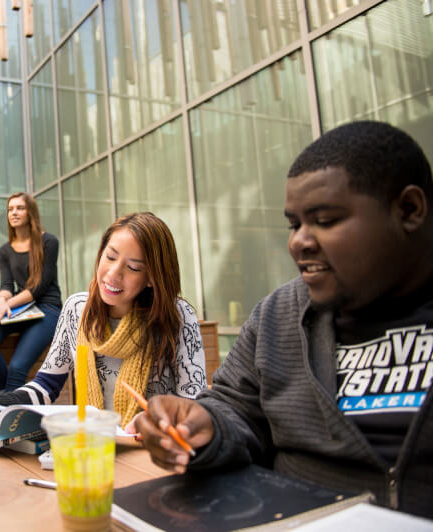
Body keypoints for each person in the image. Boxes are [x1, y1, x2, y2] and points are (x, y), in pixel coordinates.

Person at [135, 121, 433, 519]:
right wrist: (205, 424)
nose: (299, 242)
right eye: (294, 224)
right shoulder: (277, 315)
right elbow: (234, 408)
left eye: (325, 221)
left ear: (409, 211)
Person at [0, 212, 207, 428]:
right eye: (110, 257)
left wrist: (158, 421)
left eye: (133, 268)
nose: (113, 274)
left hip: (153, 454)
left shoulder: (177, 315)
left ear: (152, 277)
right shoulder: (77, 309)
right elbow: (45, 387)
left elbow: (193, 403)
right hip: (94, 446)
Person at [0, 193, 62, 392]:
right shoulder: (5, 250)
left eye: (20, 208)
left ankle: (8, 409)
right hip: (22, 307)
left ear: (30, 213)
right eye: (10, 209)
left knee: (17, 367)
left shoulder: (49, 242)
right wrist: (0, 303)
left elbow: (38, 287)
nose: (14, 213)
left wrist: (6, 305)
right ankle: (6, 396)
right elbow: (7, 285)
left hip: (47, 307)